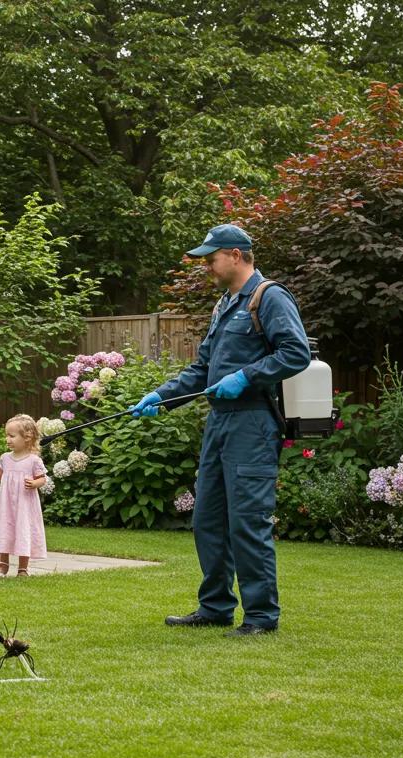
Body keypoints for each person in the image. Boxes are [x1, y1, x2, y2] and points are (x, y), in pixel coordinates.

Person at [129, 223, 311, 637]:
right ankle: (215, 607)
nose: (207, 266)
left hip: (253, 421)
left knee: (247, 520)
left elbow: (295, 352)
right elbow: (201, 370)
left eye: (211, 258)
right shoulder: (225, 305)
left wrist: (247, 376)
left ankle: (262, 616)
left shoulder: (269, 297)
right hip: (220, 423)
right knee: (209, 519)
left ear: (235, 254)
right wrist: (161, 396)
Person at [0, 414, 47, 577]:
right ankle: (3, 563)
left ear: (27, 437)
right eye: (6, 435)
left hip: (25, 505)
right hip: (7, 504)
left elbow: (43, 478)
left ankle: (23, 567)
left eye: (12, 436)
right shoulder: (5, 459)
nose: (8, 439)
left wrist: (35, 483)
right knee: (5, 528)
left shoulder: (33, 460)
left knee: (24, 530)